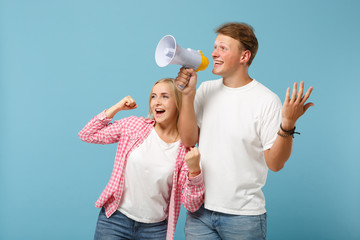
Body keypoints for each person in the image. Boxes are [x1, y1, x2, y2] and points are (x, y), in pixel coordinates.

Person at [175, 22, 314, 240]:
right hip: (200, 211)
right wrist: (187, 95)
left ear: (244, 56)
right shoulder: (205, 90)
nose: (214, 53)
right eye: (215, 47)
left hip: (243, 217)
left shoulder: (266, 100)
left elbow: (275, 164)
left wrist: (287, 123)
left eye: (223, 48)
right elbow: (188, 139)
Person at [78, 78, 205, 240]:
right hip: (115, 221)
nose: (157, 102)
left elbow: (192, 204)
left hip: (155, 230)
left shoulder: (184, 150)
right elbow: (87, 134)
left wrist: (195, 172)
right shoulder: (134, 126)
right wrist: (117, 107)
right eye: (153, 96)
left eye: (165, 96)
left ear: (178, 103)